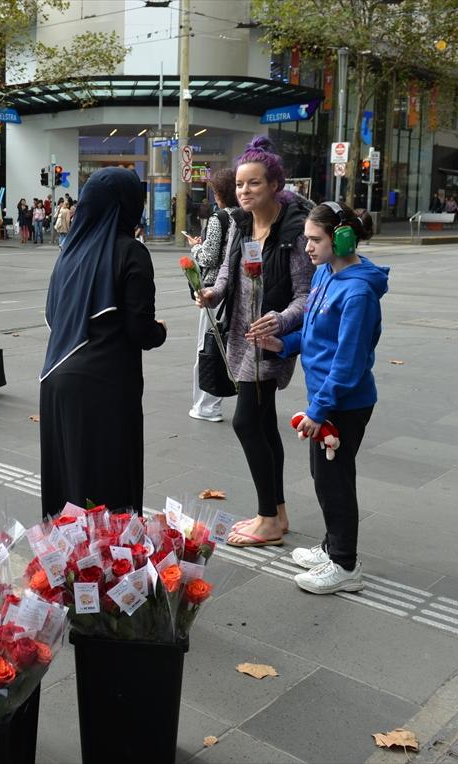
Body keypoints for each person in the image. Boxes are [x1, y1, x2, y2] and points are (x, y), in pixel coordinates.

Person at [256, 201, 388, 594]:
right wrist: (282, 344)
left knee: (335, 483)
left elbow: (347, 362)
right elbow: (316, 335)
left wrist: (318, 409)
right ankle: (332, 547)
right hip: (329, 399)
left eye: (315, 239)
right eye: (306, 239)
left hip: (343, 404)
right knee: (324, 476)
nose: (308, 247)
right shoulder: (325, 274)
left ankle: (345, 565)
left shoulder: (358, 293)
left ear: (342, 238)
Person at [196, 136, 315, 547]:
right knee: (263, 423)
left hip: (269, 340)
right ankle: (276, 513)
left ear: (275, 184)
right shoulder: (241, 223)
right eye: (240, 184)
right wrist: (213, 293)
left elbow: (306, 295)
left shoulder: (293, 232)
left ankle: (267, 519)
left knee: (247, 421)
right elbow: (227, 272)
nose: (245, 191)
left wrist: (280, 320)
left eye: (254, 183)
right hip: (239, 333)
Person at [39, 167, 167, 518]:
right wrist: (160, 330)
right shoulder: (131, 252)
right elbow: (140, 330)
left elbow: (55, 315)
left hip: (55, 382)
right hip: (103, 387)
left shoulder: (67, 254)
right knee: (107, 489)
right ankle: (110, 554)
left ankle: (67, 553)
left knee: (69, 488)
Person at [184, 167, 238, 423]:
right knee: (224, 346)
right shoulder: (244, 215)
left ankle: (206, 406)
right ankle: (213, 401)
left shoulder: (219, 218)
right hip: (235, 288)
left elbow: (209, 257)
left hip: (214, 289)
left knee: (207, 347)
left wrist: (195, 249)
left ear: (219, 193)